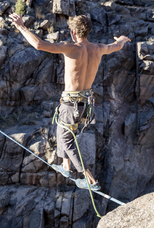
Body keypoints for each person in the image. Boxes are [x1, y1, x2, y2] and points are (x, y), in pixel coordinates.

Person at [9, 13, 130, 191]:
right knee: (61, 131)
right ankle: (65, 166)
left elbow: (39, 44)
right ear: (87, 31)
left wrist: (21, 27)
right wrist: (122, 39)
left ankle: (89, 179)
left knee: (66, 141)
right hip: (84, 105)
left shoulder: (71, 48)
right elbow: (117, 45)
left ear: (73, 32)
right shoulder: (98, 48)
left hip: (70, 104)